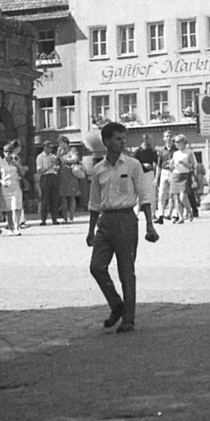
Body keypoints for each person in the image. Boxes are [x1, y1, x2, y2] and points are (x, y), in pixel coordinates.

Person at [86, 121, 159, 333]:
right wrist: (91, 230)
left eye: (123, 138)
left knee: (126, 270)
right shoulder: (98, 169)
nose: (122, 142)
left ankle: (128, 319)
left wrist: (150, 226)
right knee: (97, 267)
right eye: (118, 138)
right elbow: (94, 202)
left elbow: (144, 196)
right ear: (106, 141)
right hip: (106, 221)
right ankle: (116, 304)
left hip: (127, 219)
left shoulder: (132, 165)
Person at [0, 138, 27, 234]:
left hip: (16, 185)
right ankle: (10, 228)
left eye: (10, 151)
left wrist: (18, 166)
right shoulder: (0, 162)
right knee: (8, 209)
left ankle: (17, 227)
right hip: (5, 187)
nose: (8, 153)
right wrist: (2, 182)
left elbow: (22, 173)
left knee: (17, 206)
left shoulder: (16, 160)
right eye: (6, 151)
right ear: (3, 152)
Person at [36, 141, 63, 225]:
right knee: (45, 199)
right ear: (45, 147)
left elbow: (57, 166)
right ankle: (43, 219)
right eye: (49, 147)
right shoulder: (40, 157)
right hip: (45, 177)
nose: (51, 150)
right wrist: (49, 167)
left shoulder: (53, 156)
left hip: (53, 177)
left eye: (52, 148)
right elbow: (39, 171)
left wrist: (56, 166)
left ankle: (54, 219)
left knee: (54, 199)